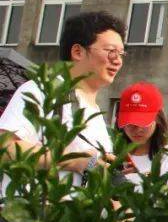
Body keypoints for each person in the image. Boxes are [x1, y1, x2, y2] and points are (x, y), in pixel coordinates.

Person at [1, 11, 125, 186]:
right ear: (77, 51)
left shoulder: (95, 113)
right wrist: (74, 160)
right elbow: (5, 147)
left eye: (121, 54)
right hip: (34, 211)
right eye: (111, 51)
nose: (117, 61)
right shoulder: (44, 90)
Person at [114, 81, 168, 186]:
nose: (137, 129)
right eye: (130, 122)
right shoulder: (112, 157)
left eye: (143, 122)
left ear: (158, 119)